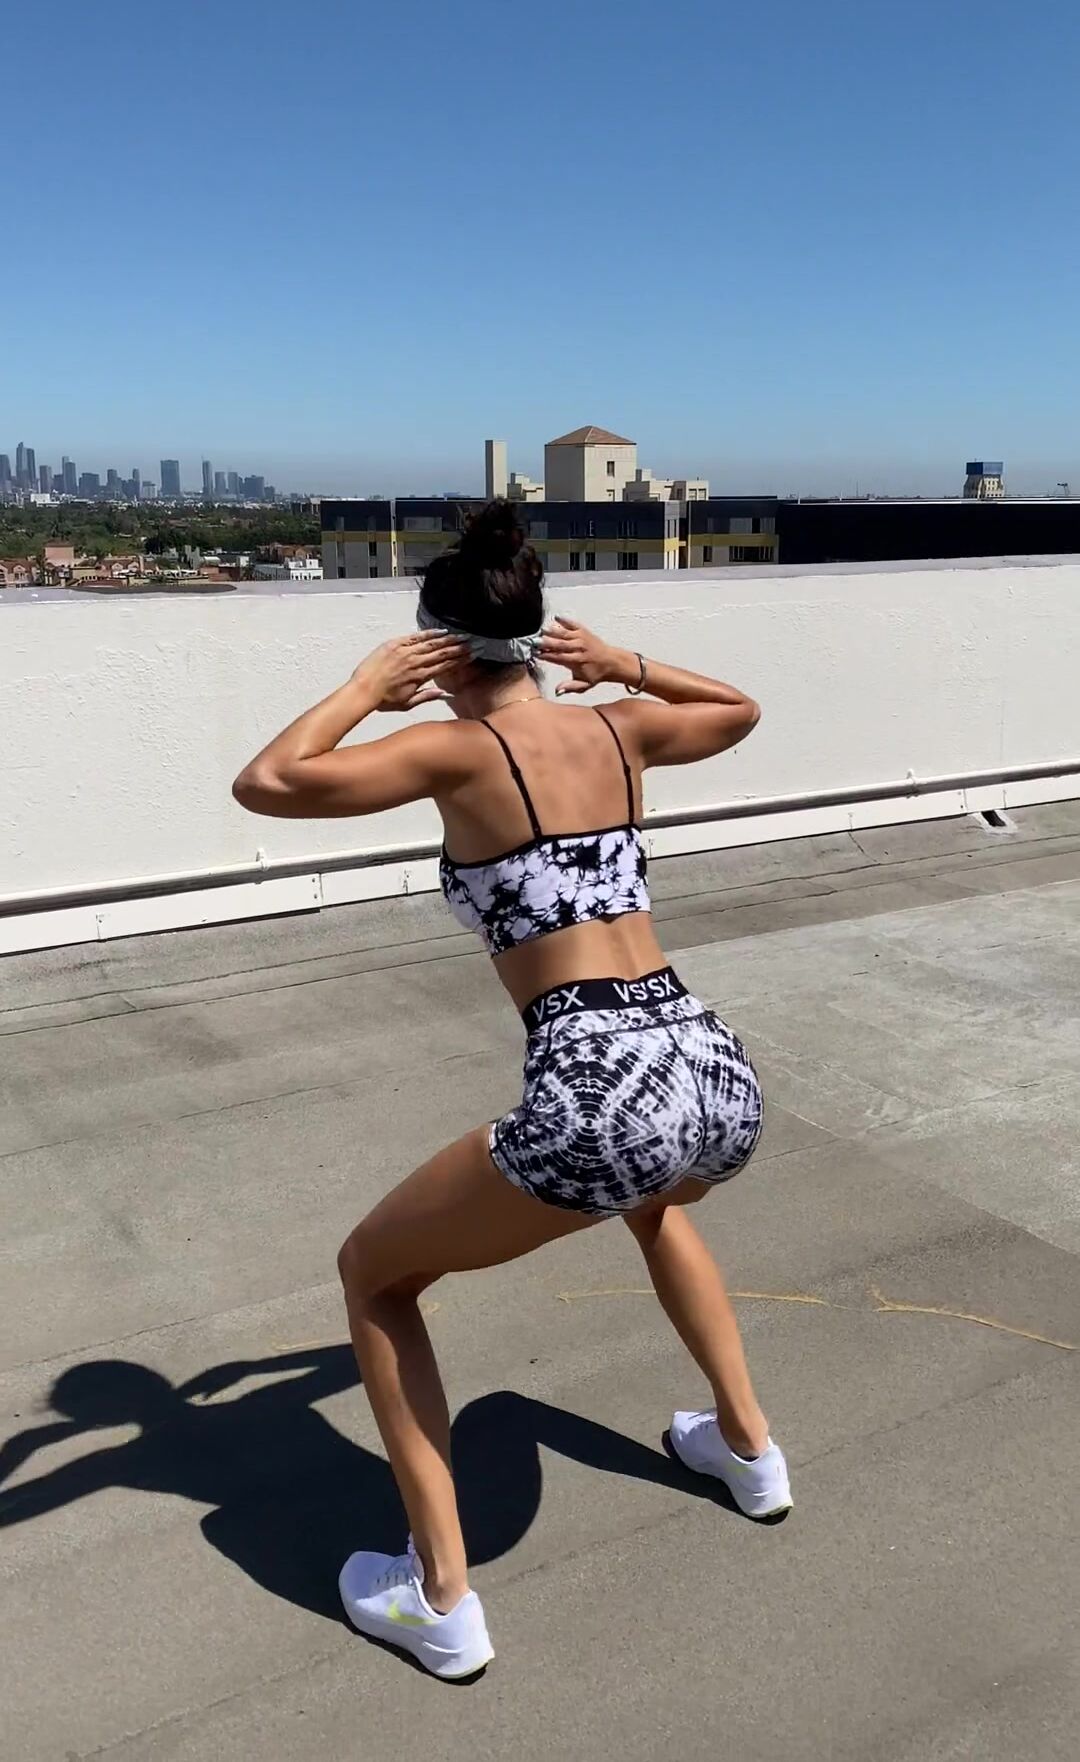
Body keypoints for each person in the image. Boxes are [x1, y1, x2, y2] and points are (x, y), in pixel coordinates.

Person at [233, 500, 791, 1680]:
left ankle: (438, 1595)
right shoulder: (619, 730)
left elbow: (270, 781)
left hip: (598, 1079)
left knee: (373, 1272)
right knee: (656, 1202)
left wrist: (363, 687)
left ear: (437, 651)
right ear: (538, 638)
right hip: (711, 1064)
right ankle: (748, 1451)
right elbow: (739, 709)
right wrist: (624, 663)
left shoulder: (454, 752)